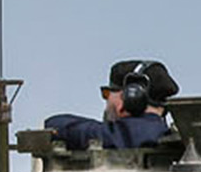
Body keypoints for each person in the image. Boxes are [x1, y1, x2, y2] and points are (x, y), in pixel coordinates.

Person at [44, 60, 180, 149]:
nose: (106, 101)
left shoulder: (130, 134)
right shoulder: (166, 134)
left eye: (107, 94)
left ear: (127, 97)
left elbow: (56, 124)